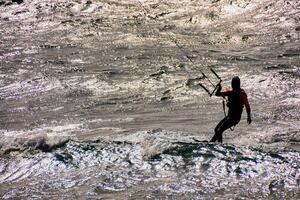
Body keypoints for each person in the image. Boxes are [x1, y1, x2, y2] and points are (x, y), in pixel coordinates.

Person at [210, 76, 251, 143]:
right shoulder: (230, 92)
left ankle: (211, 142)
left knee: (219, 130)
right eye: (232, 83)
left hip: (235, 118)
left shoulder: (242, 93)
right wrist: (219, 88)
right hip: (230, 116)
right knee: (217, 129)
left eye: (234, 83)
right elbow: (217, 94)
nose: (233, 85)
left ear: (238, 84)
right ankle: (220, 144)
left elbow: (247, 106)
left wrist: (248, 116)